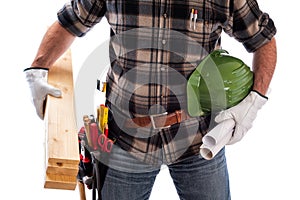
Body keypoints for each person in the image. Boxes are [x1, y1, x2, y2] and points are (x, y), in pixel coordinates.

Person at [24, 0, 277, 199]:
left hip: (199, 139)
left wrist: (254, 102)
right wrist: (37, 68)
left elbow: (263, 39)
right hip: (126, 138)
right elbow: (72, 20)